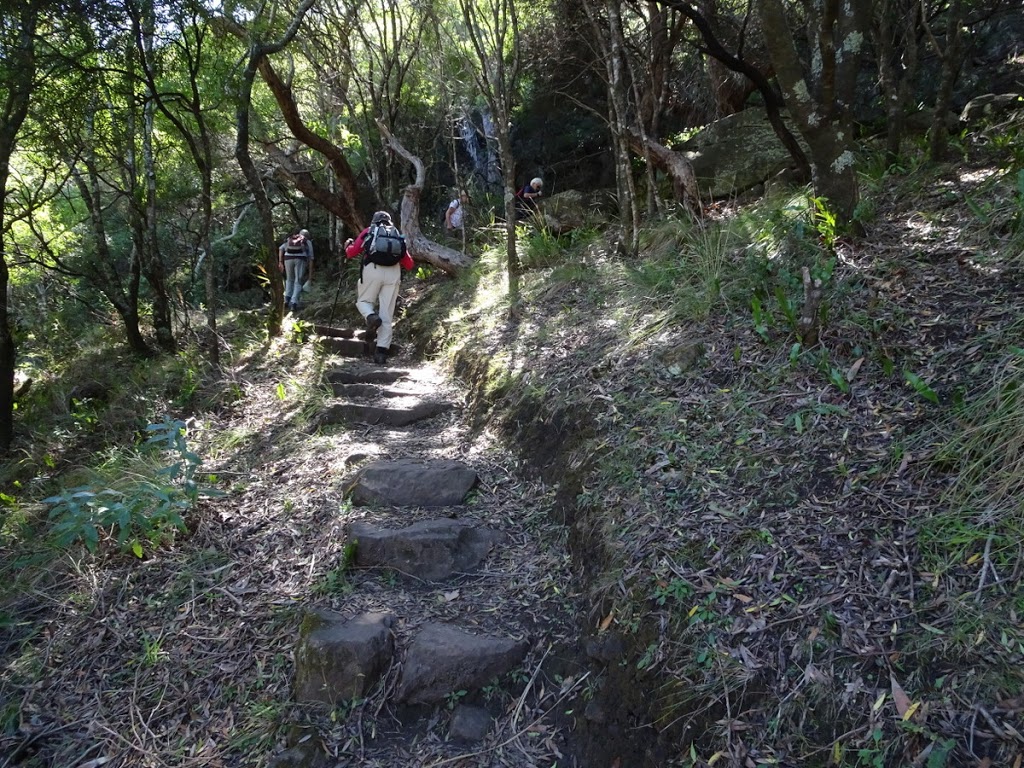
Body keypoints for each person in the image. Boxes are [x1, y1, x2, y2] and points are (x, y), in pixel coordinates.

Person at [344, 211, 414, 365]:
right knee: (387, 314)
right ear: (389, 222)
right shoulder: (397, 235)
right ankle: (381, 353)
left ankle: (371, 316)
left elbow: (352, 252)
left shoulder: (369, 232)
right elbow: (409, 264)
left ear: (374, 221)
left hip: (373, 270)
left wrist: (347, 246)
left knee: (363, 301)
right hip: (394, 273)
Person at [278, 228, 313, 312]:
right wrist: (310, 274)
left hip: (287, 258)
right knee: (298, 281)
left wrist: (280, 262)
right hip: (300, 259)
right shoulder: (307, 242)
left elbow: (281, 248)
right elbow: (311, 258)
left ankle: (286, 300)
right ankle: (294, 303)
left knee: (289, 279)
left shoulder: (291, 239)